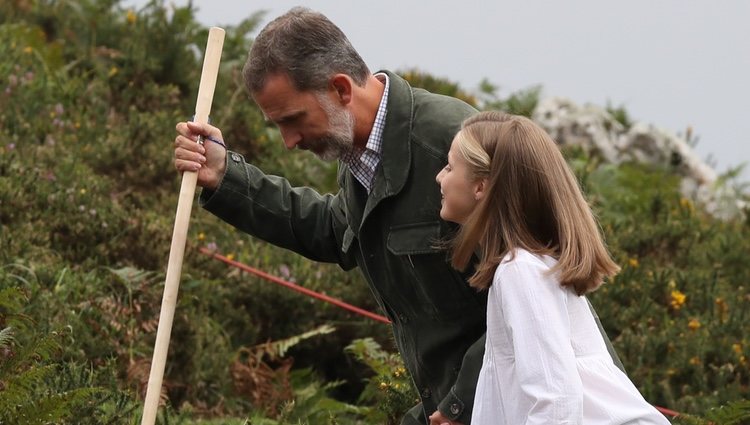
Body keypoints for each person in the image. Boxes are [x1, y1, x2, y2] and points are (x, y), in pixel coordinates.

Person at [174, 7, 620, 424]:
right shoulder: (362, 153)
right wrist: (225, 175)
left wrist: (460, 401)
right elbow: (336, 230)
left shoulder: (454, 143)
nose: (289, 141)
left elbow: (543, 287)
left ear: (341, 89)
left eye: (293, 119)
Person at [435, 111, 671, 424]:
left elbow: (555, 403)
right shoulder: (527, 266)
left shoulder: (519, 270)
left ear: (481, 186)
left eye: (450, 166)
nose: (440, 176)